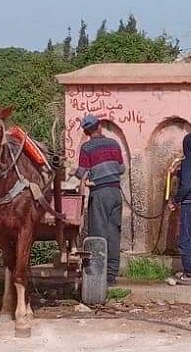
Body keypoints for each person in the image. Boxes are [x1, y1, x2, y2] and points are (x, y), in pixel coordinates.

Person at [73, 114, 125, 287]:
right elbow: (121, 168)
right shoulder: (114, 143)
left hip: (100, 193)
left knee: (98, 233)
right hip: (115, 192)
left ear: (87, 132)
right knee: (113, 233)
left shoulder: (87, 148)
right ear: (99, 127)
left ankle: (98, 275)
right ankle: (111, 275)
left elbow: (82, 172)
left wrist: (73, 171)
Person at [167, 132, 191, 286]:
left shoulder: (187, 162)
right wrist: (176, 172)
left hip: (189, 206)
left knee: (185, 239)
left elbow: (186, 185)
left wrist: (175, 200)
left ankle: (187, 274)